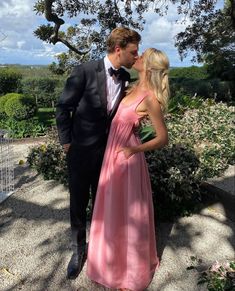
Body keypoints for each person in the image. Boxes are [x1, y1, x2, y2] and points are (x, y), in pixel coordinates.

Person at [55, 27, 141, 280]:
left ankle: (101, 249)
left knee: (104, 203)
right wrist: (67, 143)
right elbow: (63, 108)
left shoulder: (125, 76)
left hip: (109, 153)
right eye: (133, 52)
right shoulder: (84, 71)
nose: (137, 57)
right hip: (80, 152)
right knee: (78, 204)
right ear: (118, 49)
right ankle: (78, 250)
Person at [86, 48, 170, 291]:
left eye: (141, 57)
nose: (137, 58)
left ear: (149, 67)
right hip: (111, 158)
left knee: (127, 214)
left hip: (127, 160)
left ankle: (130, 274)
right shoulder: (130, 87)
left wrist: (134, 150)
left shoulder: (150, 99)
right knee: (111, 210)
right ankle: (109, 265)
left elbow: (163, 138)